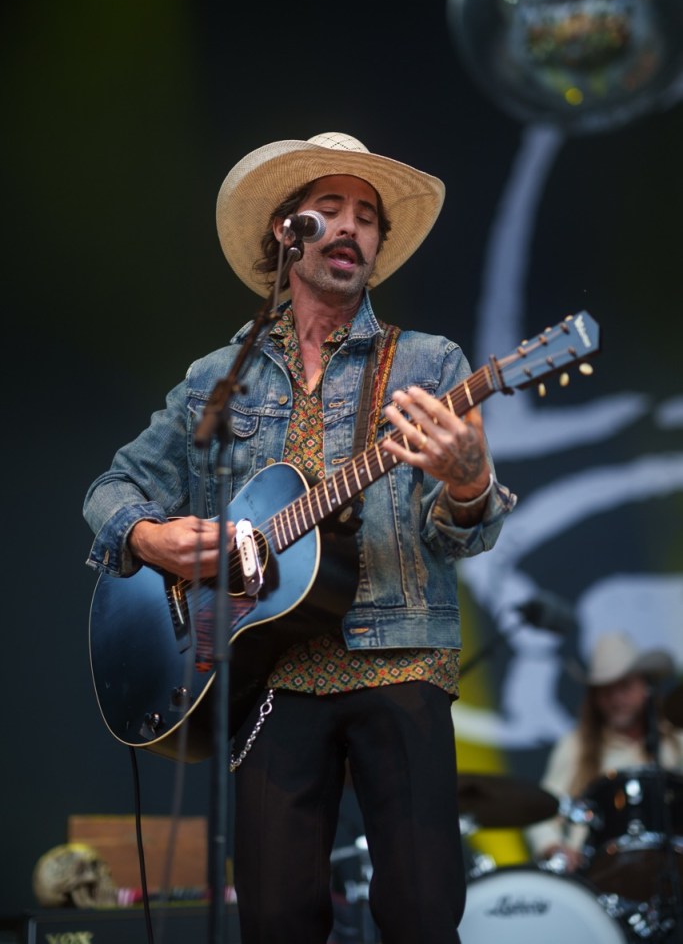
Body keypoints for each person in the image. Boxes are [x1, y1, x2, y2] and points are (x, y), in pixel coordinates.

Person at [83, 130, 516, 944]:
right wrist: (149, 537)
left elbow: (461, 537)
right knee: (275, 920)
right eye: (329, 209)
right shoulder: (218, 378)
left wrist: (467, 485)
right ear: (286, 231)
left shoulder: (428, 364)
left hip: (398, 658)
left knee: (421, 914)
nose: (350, 226)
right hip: (268, 671)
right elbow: (112, 486)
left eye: (367, 217)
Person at [526, 631, 683, 878]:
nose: (616, 699)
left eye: (624, 686)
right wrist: (555, 848)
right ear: (594, 698)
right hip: (596, 878)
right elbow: (541, 810)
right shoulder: (575, 745)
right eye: (605, 691)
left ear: (646, 687)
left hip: (671, 873)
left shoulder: (675, 740)